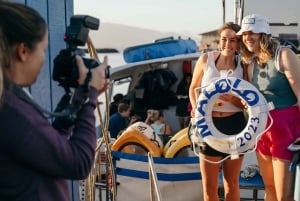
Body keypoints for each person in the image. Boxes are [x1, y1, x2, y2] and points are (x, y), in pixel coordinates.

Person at [0, 2, 109, 201]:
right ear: (23, 51)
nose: (43, 59)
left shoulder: (9, 102)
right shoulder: (12, 112)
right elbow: (80, 163)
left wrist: (76, 103)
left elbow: (46, 150)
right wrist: (90, 97)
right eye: (43, 50)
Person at [237, 14, 300, 201]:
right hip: (262, 129)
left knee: (283, 195)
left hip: (286, 130)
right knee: (270, 188)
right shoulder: (251, 63)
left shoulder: (284, 55)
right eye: (245, 33)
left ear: (263, 34)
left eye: (252, 33)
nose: (248, 37)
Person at [189, 22, 246, 201]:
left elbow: (247, 102)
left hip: (235, 126)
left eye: (232, 40)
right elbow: (193, 88)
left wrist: (232, 99)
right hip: (208, 125)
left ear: (238, 43)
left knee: (232, 183)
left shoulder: (243, 66)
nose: (227, 44)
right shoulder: (206, 60)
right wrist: (198, 109)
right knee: (210, 187)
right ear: (219, 41)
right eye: (223, 39)